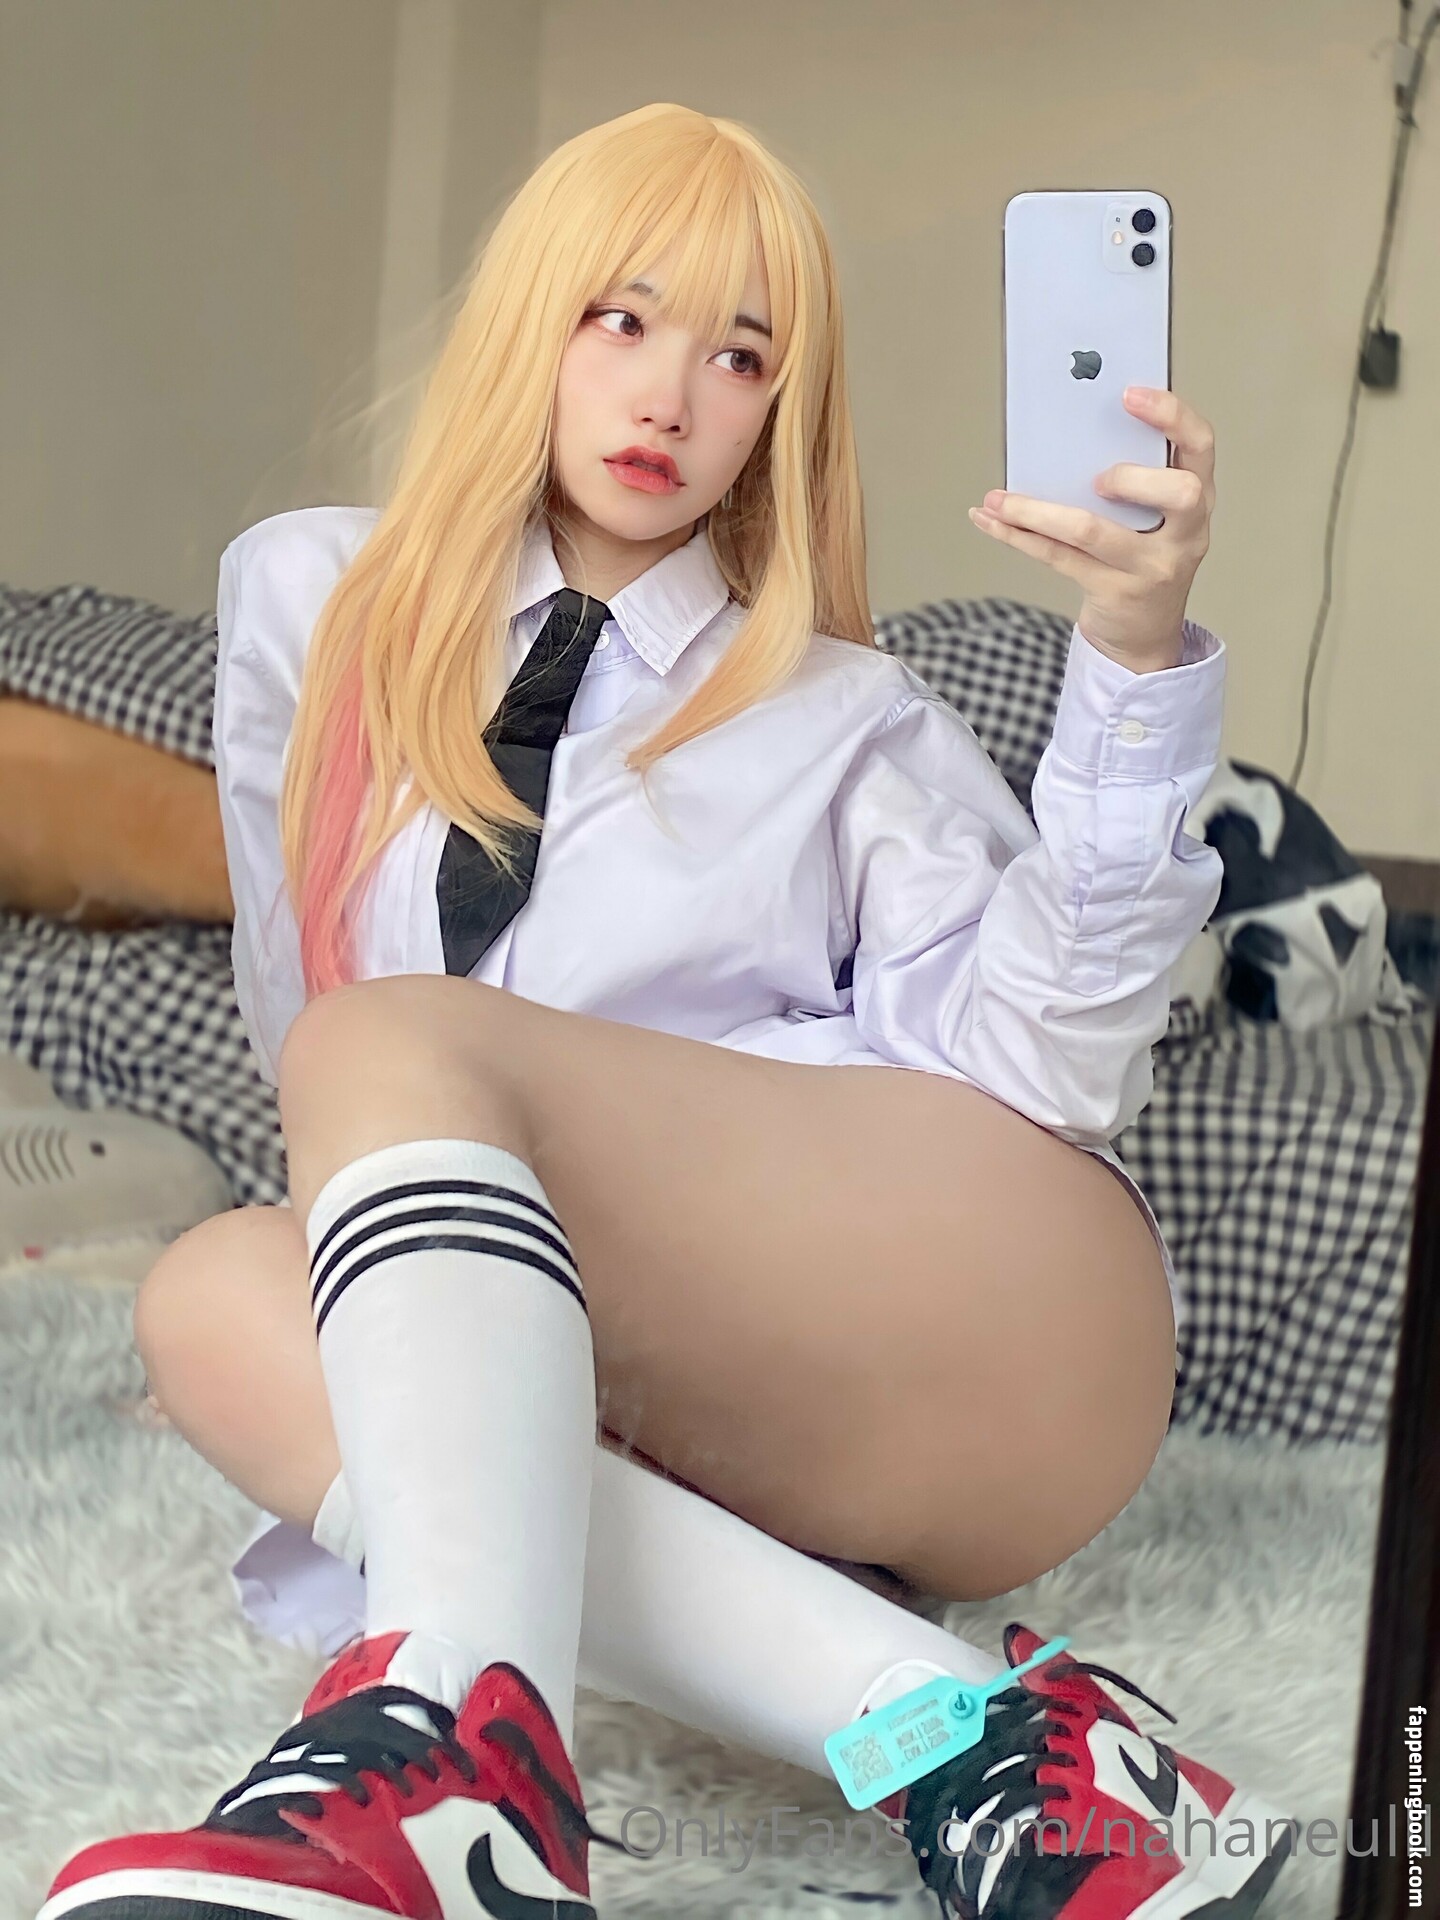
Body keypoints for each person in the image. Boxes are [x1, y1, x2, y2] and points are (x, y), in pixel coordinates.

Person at [39, 102, 1294, 1920]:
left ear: (782, 411)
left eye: (740, 355)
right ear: (530, 322)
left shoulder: (850, 718)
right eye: (620, 319)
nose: (671, 396)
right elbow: (296, 1001)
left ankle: (458, 1758)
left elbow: (1046, 1074)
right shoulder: (316, 602)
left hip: (971, 1329)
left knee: (381, 1043)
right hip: (632, 1388)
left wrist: (1131, 661)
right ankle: (980, 1745)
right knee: (216, 1296)